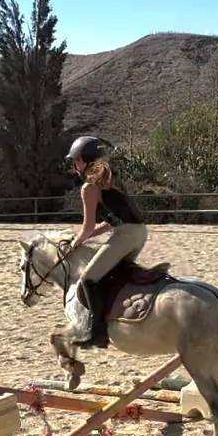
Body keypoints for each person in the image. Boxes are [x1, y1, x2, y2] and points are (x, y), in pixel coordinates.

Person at [64, 136, 148, 348]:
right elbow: (106, 224)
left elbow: (88, 227)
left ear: (83, 160)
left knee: (87, 279)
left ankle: (97, 332)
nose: (74, 165)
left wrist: (74, 244)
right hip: (139, 233)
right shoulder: (110, 180)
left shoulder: (89, 187)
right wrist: (81, 238)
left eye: (75, 161)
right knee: (112, 273)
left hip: (126, 234)